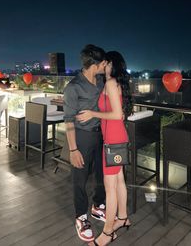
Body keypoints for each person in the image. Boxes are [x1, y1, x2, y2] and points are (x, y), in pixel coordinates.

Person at [77, 51, 133, 246]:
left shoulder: (110, 83)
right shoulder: (114, 83)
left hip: (114, 140)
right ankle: (123, 217)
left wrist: (93, 113)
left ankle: (108, 232)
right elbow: (120, 113)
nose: (103, 66)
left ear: (110, 63)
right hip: (117, 138)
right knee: (119, 181)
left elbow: (117, 114)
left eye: (105, 63)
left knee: (110, 189)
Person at [63, 44, 107, 243]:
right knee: (79, 178)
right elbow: (69, 120)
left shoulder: (100, 81)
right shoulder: (73, 86)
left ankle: (98, 206)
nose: (105, 65)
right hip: (81, 136)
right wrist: (73, 149)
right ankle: (81, 217)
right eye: (103, 62)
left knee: (101, 173)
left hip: (100, 134)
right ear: (95, 64)